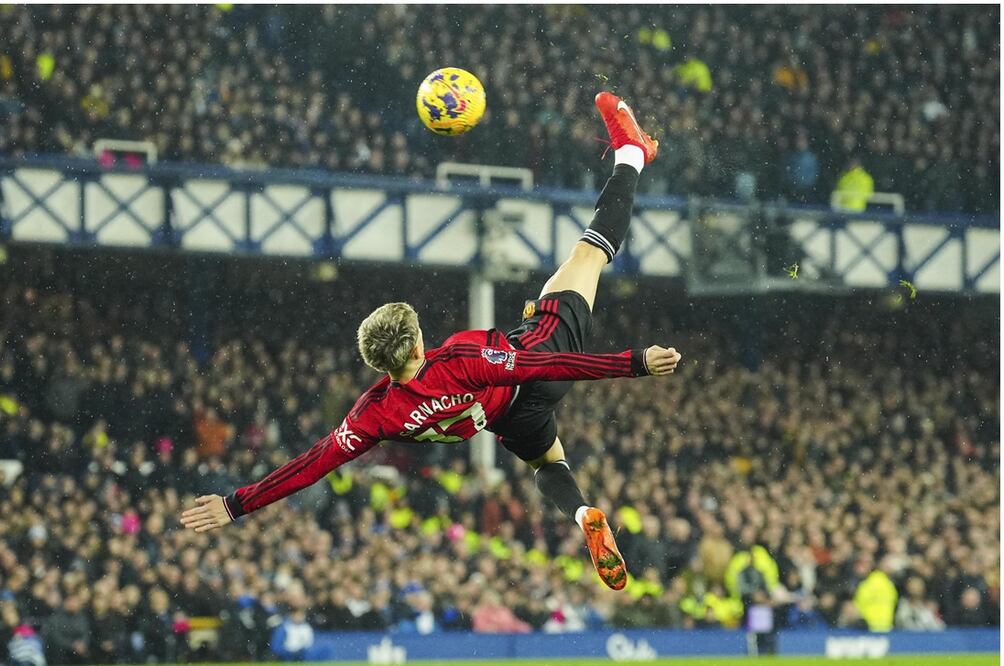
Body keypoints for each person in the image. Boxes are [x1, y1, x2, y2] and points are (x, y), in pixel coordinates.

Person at [181, 91, 682, 591]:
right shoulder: (460, 358)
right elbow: (539, 368)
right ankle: (631, 154)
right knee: (588, 255)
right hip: (535, 364)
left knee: (548, 462)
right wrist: (634, 362)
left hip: (507, 420)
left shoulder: (374, 414)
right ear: (419, 345)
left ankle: (581, 513)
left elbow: (310, 466)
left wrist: (235, 504)